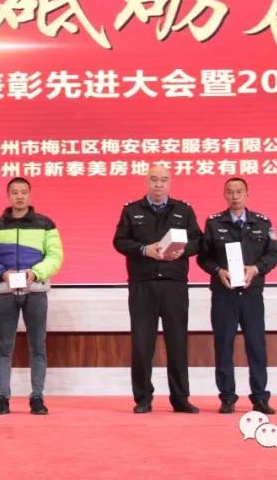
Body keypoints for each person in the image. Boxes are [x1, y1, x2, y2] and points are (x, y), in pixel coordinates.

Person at [113, 165, 202, 414]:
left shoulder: (183, 210)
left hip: (174, 285)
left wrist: (183, 250)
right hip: (143, 284)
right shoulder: (132, 210)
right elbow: (120, 241)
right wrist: (144, 250)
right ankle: (143, 398)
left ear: (169, 182)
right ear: (147, 182)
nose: (158, 184)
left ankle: (180, 398)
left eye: (163, 180)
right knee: (142, 344)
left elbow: (198, 240)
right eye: (154, 179)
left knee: (177, 343)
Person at [0, 177, 64, 415]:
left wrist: (35, 273)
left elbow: (55, 256)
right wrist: (1, 274)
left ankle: (37, 397)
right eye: (15, 192)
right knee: (4, 348)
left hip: (35, 292)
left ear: (29, 194)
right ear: (8, 195)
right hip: (5, 292)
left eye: (24, 192)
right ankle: (2, 398)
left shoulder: (45, 223)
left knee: (38, 347)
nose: (19, 196)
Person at [196, 177, 277, 414]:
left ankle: (260, 397)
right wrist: (217, 270)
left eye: (239, 191)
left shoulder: (262, 222)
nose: (235, 196)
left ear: (247, 194)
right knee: (223, 346)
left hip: (252, 295)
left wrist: (257, 268)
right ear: (225, 194)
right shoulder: (214, 223)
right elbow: (203, 257)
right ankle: (227, 397)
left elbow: (273, 254)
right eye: (230, 192)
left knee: (256, 346)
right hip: (224, 295)